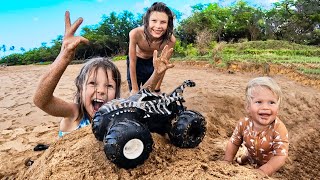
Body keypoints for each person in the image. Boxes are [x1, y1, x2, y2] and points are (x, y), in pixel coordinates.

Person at [33, 11, 174, 137]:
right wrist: (63, 57)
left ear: (116, 94)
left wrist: (156, 73)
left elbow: (139, 97)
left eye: (109, 86)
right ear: (80, 87)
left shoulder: (116, 114)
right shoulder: (75, 114)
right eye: (92, 83)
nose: (101, 90)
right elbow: (41, 100)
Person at [223, 77, 289, 177]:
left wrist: (262, 171)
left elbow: (280, 156)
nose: (265, 107)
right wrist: (227, 161)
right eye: (259, 102)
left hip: (270, 165)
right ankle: (242, 159)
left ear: (278, 108)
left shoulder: (278, 129)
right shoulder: (243, 124)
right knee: (245, 158)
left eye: (271, 102)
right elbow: (233, 142)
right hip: (251, 157)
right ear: (248, 107)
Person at [127, 2, 176, 95]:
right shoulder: (135, 33)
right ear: (147, 21)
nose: (158, 26)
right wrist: (134, 88)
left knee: (149, 93)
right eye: (154, 21)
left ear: (168, 24)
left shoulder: (171, 40)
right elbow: (132, 61)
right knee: (135, 95)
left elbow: (163, 66)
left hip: (152, 62)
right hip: (136, 62)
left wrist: (157, 88)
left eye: (163, 22)